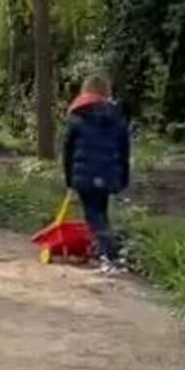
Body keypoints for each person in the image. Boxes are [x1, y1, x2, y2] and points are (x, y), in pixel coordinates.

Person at [62, 75, 130, 270]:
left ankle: (107, 252)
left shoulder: (77, 117)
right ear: (106, 92)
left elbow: (68, 152)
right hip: (109, 174)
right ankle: (108, 249)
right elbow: (124, 151)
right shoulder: (117, 118)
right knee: (100, 211)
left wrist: (69, 179)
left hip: (84, 174)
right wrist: (123, 178)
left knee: (93, 215)